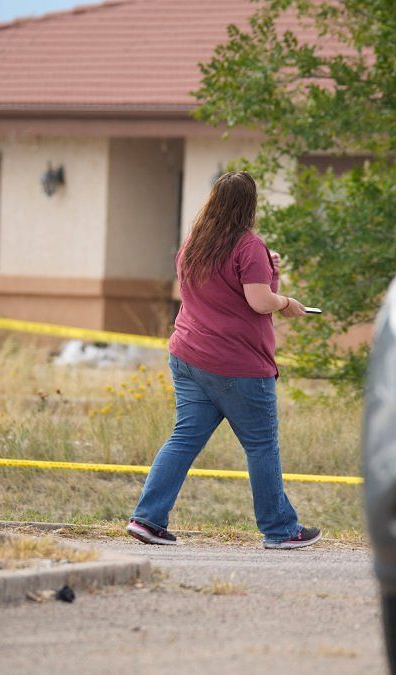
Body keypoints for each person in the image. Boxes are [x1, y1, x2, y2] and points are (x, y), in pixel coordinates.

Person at [126, 171, 321, 550]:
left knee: (183, 439)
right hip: (237, 366)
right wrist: (286, 303)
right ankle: (281, 530)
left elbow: (233, 291)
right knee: (262, 446)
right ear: (250, 205)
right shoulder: (248, 245)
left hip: (189, 357)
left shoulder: (195, 243)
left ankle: (147, 519)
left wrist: (270, 271)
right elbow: (259, 302)